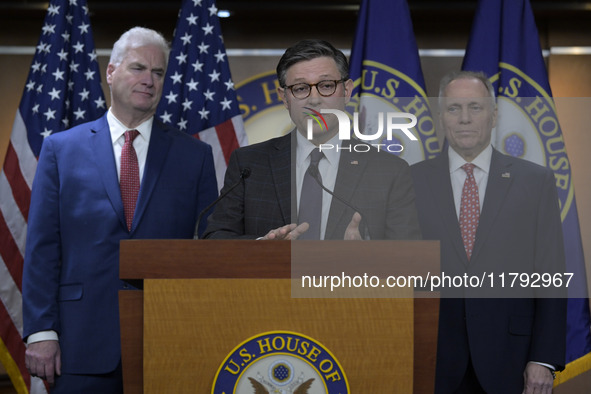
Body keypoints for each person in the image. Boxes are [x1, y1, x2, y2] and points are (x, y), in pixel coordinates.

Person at [22, 27, 218, 392]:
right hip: (78, 342)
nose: (149, 80)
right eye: (138, 68)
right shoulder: (61, 150)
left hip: (169, 340)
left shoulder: (195, 156)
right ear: (110, 73)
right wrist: (41, 331)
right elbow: (42, 248)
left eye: (158, 73)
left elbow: (211, 245)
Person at [411, 71, 566, 393]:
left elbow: (550, 273)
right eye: (453, 108)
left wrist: (544, 358)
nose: (464, 118)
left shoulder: (535, 182)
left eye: (475, 107)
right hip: (430, 359)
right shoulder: (409, 182)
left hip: (512, 359)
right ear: (441, 118)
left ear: (493, 116)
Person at [204, 39, 420, 241]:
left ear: (346, 91)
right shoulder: (249, 164)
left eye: (326, 86)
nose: (314, 99)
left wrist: (367, 257)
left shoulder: (389, 171)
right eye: (300, 88)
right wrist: (263, 249)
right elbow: (216, 238)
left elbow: (411, 259)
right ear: (284, 98)